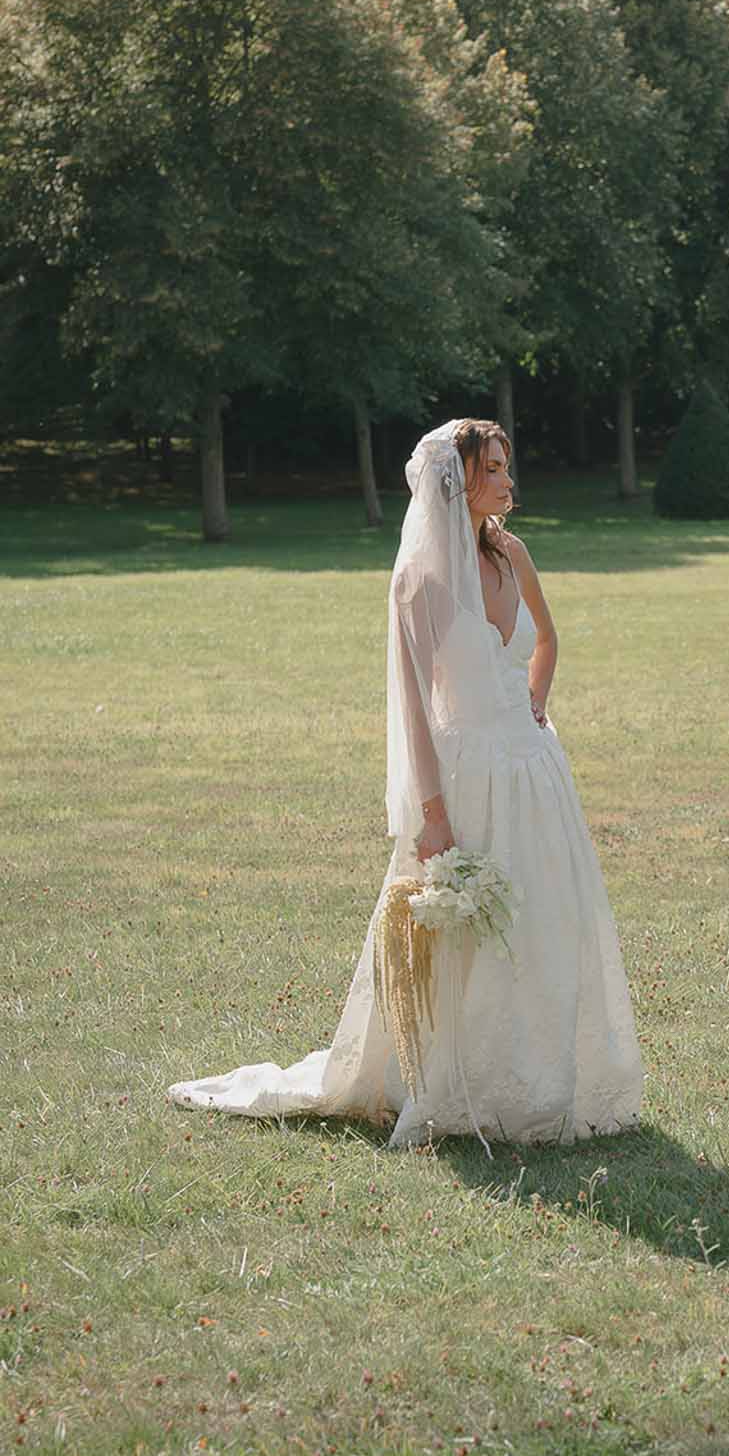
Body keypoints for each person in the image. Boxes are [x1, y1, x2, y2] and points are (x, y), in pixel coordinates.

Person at [168, 419, 642, 1150]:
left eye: (507, 467)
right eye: (493, 469)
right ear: (457, 481)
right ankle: (451, 1081)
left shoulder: (513, 553)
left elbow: (546, 639)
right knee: (463, 942)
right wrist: (433, 813)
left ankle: (545, 1079)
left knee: (545, 924)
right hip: (468, 775)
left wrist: (535, 702)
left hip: (536, 769)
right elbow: (417, 708)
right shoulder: (421, 581)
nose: (509, 481)